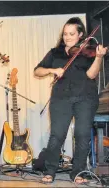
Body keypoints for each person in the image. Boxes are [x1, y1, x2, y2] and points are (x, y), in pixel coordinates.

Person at [34, 17, 107, 184]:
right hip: (60, 98)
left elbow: (91, 75)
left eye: (71, 34)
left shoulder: (89, 51)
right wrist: (52, 70)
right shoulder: (55, 52)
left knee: (82, 135)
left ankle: (78, 171)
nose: (67, 37)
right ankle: (50, 170)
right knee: (57, 135)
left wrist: (98, 57)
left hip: (85, 98)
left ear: (81, 34)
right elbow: (37, 71)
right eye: (65, 34)